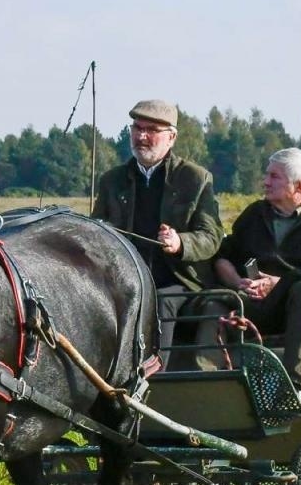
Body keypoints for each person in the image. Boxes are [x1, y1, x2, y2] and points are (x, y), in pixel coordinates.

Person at [205, 148, 301, 393]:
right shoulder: (255, 214)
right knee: (212, 304)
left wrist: (282, 283)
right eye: (267, 175)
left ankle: (292, 385)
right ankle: (204, 384)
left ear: (299, 186)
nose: (265, 182)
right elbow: (223, 256)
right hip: (252, 305)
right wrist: (237, 282)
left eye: (274, 176)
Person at [91, 100, 222, 353]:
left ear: (171, 137)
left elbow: (211, 235)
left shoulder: (195, 179)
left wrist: (180, 242)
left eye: (151, 130)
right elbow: (97, 229)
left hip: (178, 281)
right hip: (124, 276)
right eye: (137, 128)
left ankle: (155, 380)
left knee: (159, 302)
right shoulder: (112, 181)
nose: (141, 136)